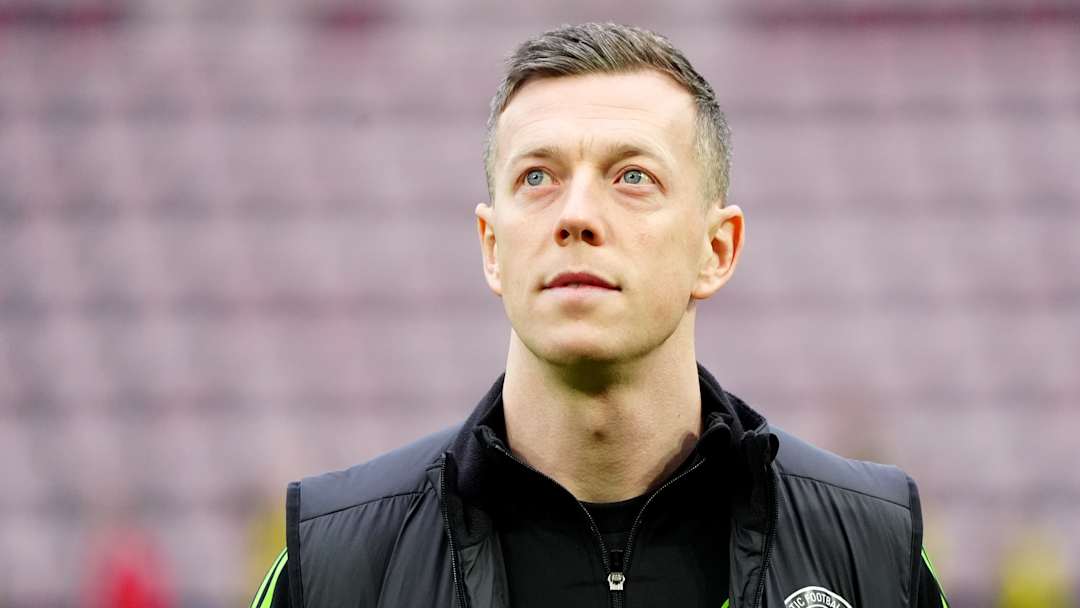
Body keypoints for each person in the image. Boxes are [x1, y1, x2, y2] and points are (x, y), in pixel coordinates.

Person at [249, 22, 950, 608]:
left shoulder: (872, 547)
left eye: (632, 176)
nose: (577, 214)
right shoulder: (335, 562)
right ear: (492, 248)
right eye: (538, 177)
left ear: (716, 249)